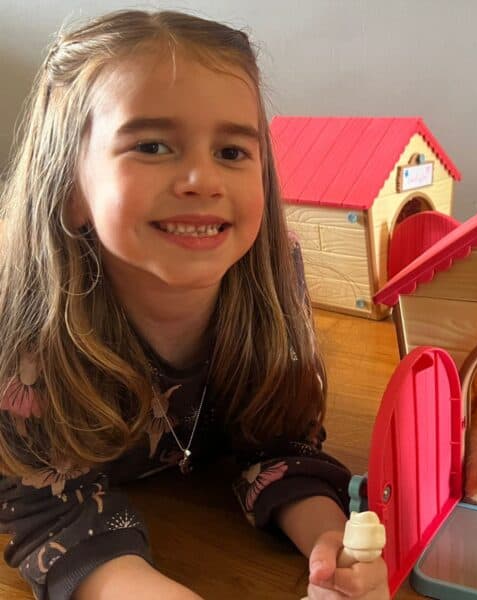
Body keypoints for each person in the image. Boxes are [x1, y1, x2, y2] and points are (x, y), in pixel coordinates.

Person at [0, 10, 389, 600]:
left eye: (232, 152)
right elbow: (44, 513)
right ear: (71, 188)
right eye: (152, 145)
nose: (202, 179)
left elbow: (279, 441)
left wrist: (330, 546)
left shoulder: (272, 287)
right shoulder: (24, 346)